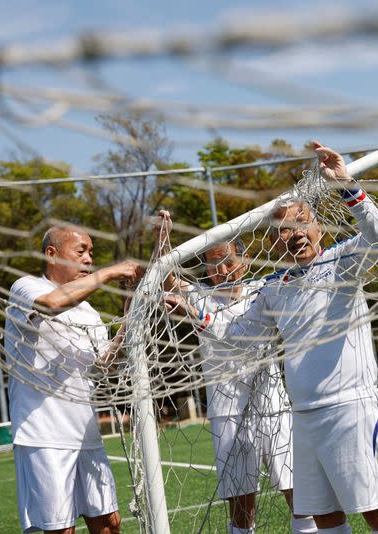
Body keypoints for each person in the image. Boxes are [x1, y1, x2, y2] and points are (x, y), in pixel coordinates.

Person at [167, 141, 378, 534]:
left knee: (377, 513)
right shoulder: (273, 288)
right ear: (275, 241)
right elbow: (235, 336)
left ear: (317, 225)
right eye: (284, 230)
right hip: (303, 415)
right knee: (326, 517)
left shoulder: (344, 260)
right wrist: (195, 314)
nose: (294, 234)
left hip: (350, 408)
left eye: (301, 223)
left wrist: (347, 184)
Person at [156, 211, 317, 534]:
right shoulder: (200, 296)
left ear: (244, 259)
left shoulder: (264, 290)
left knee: (301, 496)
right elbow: (167, 278)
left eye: (228, 261)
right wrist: (163, 241)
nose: (222, 270)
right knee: (242, 508)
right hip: (227, 411)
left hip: (272, 406)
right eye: (213, 264)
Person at [4, 226, 145, 534]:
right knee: (60, 530)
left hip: (85, 433)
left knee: (109, 524)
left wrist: (129, 320)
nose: (88, 259)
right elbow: (52, 305)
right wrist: (110, 273)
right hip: (44, 435)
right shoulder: (26, 287)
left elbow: (105, 365)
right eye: (81, 251)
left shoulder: (89, 313)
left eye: (92, 254)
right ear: (51, 254)